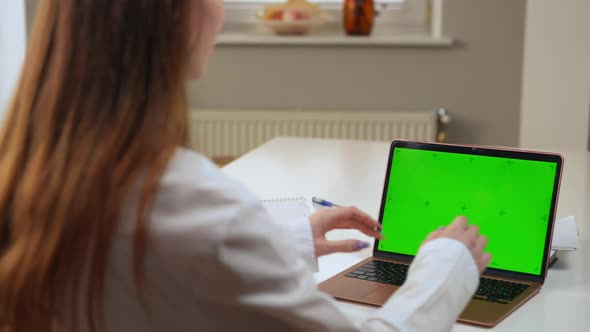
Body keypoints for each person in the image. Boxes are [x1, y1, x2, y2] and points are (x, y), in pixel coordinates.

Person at [0, 1, 491, 331]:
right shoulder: (198, 207)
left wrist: (285, 242)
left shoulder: (28, 174)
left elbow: (161, 271)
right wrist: (445, 269)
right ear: (179, 15)